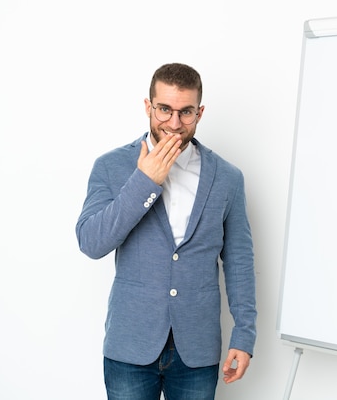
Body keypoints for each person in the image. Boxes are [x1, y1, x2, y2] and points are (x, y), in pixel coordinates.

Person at [76, 63, 257, 400]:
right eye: (165, 110)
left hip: (197, 349)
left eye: (186, 112)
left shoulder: (228, 179)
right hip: (130, 345)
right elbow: (91, 242)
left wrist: (244, 337)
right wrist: (144, 181)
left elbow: (239, 263)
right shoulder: (111, 166)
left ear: (199, 112)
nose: (174, 123)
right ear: (149, 106)